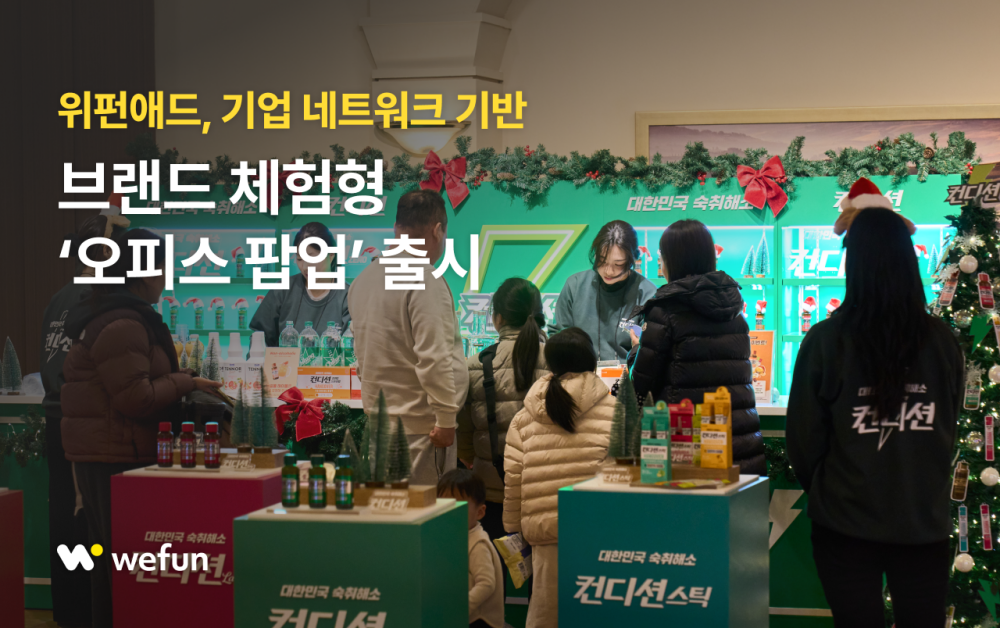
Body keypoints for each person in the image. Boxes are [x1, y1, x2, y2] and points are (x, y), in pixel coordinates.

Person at [786, 195, 963, 628]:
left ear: (853, 262)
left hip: (846, 522)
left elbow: (804, 441)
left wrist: (833, 490)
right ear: (909, 261)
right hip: (922, 520)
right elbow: (949, 422)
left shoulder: (826, 341)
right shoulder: (941, 341)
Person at [61, 229, 222, 628]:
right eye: (163, 268)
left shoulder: (117, 314)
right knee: (121, 567)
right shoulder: (122, 323)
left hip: (111, 452)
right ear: (145, 271)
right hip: (113, 457)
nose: (166, 278)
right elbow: (136, 398)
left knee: (112, 566)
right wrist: (185, 382)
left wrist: (184, 379)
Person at [40, 211, 128, 626]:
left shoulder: (59, 297)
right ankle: (84, 614)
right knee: (85, 522)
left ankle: (67, 612)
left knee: (64, 517)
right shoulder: (95, 300)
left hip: (56, 420)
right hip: (81, 424)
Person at [348, 190, 468, 485]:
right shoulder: (424, 278)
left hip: (380, 424)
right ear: (437, 230)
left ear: (396, 228)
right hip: (421, 430)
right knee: (424, 509)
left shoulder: (363, 279)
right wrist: (446, 419)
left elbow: (362, 356)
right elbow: (434, 357)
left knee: (387, 507)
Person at [629, 220, 764, 473]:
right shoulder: (735, 313)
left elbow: (640, 388)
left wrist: (637, 350)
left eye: (661, 257)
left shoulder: (665, 311)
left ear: (672, 261)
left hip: (684, 446)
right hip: (738, 443)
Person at [504, 327, 614, 628]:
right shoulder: (616, 411)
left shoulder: (524, 417)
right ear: (592, 361)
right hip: (600, 531)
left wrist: (513, 530)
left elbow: (513, 476)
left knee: (546, 615)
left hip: (544, 532)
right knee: (598, 613)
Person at [458, 277, 550, 542]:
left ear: (497, 318)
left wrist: (472, 458)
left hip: (491, 491)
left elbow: (463, 433)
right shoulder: (555, 360)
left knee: (493, 564)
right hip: (542, 489)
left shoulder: (475, 364)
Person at [548, 220, 656, 362]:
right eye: (602, 261)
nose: (609, 271)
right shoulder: (575, 286)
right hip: (580, 373)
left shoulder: (647, 294)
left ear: (632, 259)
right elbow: (557, 337)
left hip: (628, 374)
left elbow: (652, 349)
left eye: (618, 264)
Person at [250, 221, 350, 347]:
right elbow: (259, 338)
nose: (305, 267)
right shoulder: (283, 290)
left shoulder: (348, 296)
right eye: (299, 259)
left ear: (331, 255)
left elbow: (354, 347)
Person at [438, 469, 504, 628]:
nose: (449, 513)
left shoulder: (478, 543)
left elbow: (486, 584)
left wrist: (462, 608)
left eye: (457, 507)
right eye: (443, 506)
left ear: (480, 512)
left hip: (480, 619)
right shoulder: (455, 537)